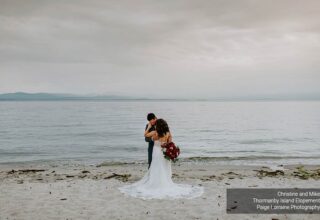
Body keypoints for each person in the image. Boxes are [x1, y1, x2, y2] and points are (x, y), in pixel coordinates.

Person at [118, 118, 204, 199]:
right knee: (164, 167)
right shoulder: (167, 133)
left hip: (157, 152)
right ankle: (164, 182)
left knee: (156, 167)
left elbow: (145, 135)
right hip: (164, 152)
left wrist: (148, 127)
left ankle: (156, 183)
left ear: (158, 126)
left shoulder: (155, 133)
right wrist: (166, 144)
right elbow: (170, 141)